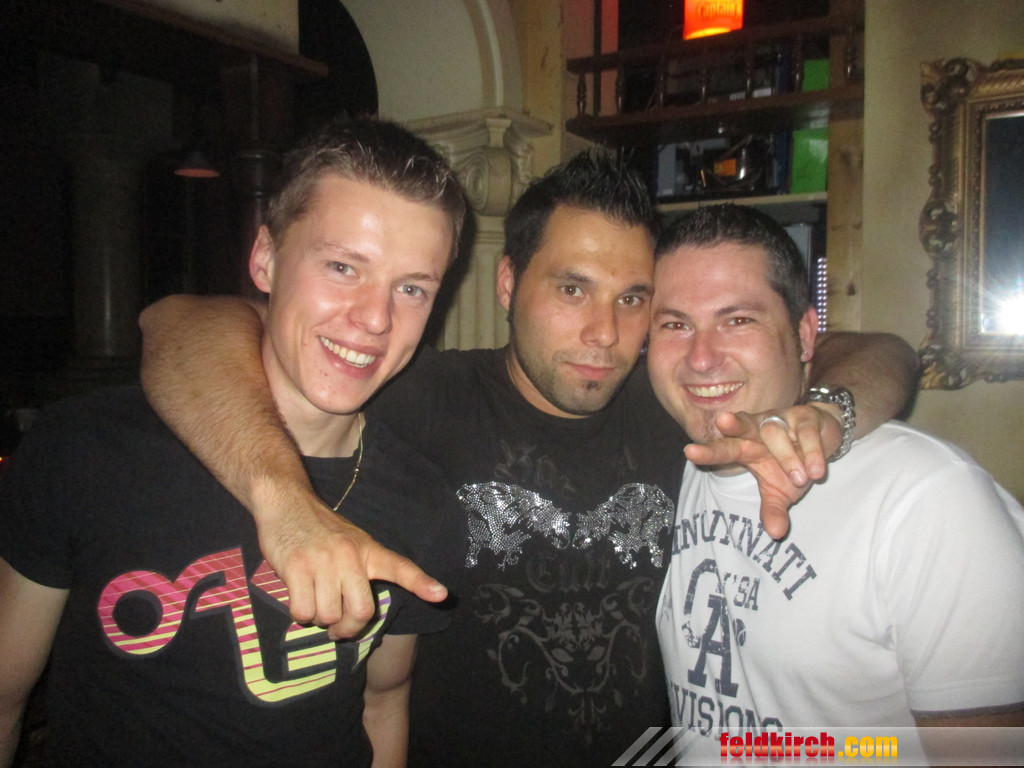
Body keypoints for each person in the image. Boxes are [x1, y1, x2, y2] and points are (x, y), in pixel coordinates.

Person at [136, 154, 920, 766]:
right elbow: (179, 323)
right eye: (572, 289)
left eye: (633, 298)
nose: (604, 333)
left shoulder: (673, 405)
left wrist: (828, 412)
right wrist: (282, 499)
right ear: (509, 282)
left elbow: (882, 352)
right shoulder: (418, 397)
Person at [0, 116, 469, 767]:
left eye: (411, 288)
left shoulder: (422, 504)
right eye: (342, 266)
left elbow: (383, 703)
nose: (375, 318)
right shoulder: (87, 449)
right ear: (265, 259)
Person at [649, 204, 1024, 756]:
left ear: (805, 335)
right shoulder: (660, 457)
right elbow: (884, 352)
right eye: (675, 324)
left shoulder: (928, 499)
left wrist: (828, 411)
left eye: (739, 320)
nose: (701, 358)